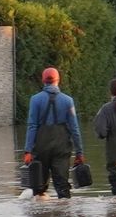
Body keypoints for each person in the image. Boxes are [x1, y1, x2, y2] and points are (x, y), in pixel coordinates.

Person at [23, 67, 85, 199]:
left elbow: (32, 126)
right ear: (58, 80)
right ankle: (64, 216)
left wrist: (28, 151)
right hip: (61, 149)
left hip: (41, 149)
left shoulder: (35, 100)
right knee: (62, 186)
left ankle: (41, 216)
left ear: (43, 80)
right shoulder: (68, 101)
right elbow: (74, 129)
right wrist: (79, 152)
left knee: (39, 188)